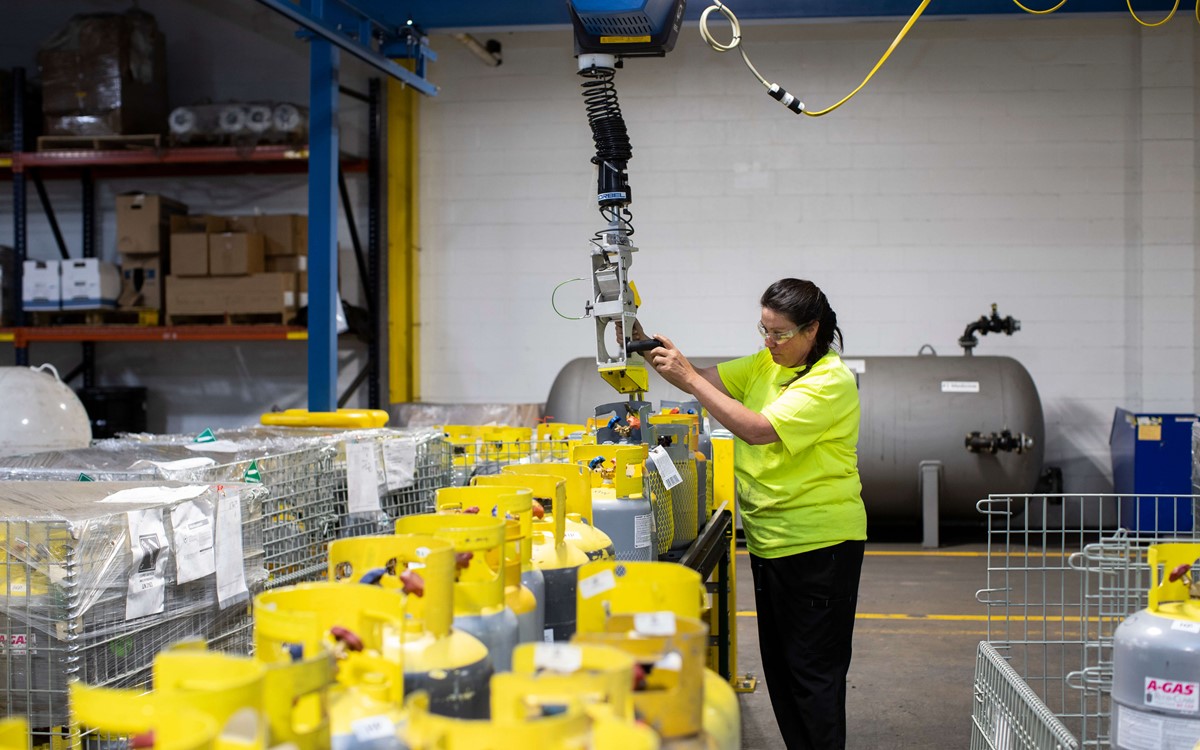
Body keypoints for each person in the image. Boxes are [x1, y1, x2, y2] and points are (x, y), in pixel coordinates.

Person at [628, 278, 866, 750]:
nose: (768, 342)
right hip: (770, 539)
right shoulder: (766, 362)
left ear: (812, 329)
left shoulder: (829, 380)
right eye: (763, 330)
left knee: (813, 675)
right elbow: (704, 380)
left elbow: (758, 429)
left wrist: (690, 380)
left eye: (779, 333)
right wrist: (641, 340)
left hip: (819, 546)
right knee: (781, 669)